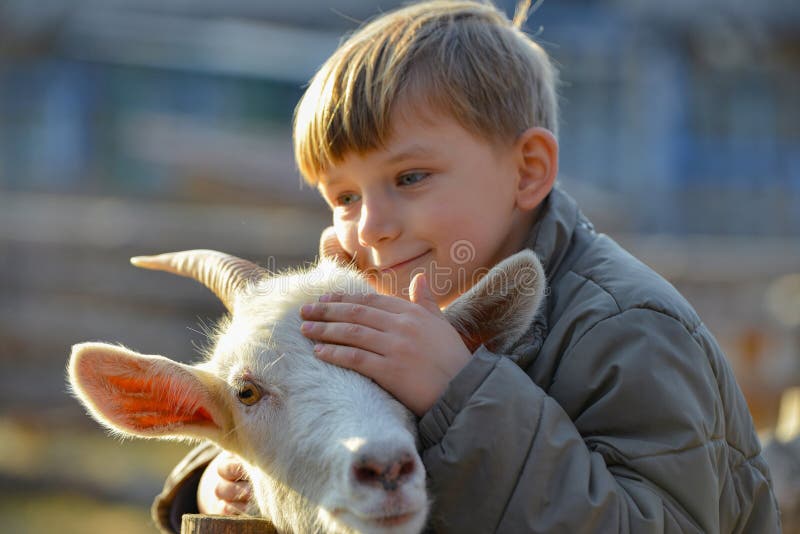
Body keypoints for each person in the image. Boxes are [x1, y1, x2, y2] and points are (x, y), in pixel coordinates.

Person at [152, 1, 781, 532]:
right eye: (344, 197)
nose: (370, 225)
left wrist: (462, 391)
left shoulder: (630, 329)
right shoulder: (393, 300)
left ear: (528, 170)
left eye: (410, 177)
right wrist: (229, 481)